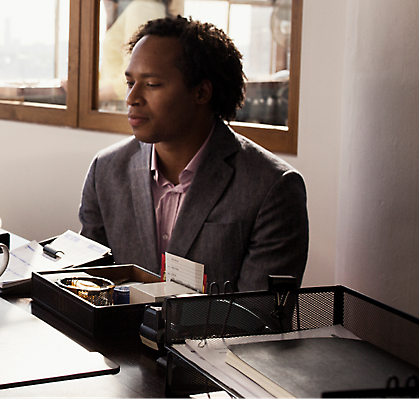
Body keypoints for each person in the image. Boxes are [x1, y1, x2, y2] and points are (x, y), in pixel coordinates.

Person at [78, 16, 309, 292]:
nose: (132, 98)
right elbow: (87, 286)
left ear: (201, 92)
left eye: (151, 84)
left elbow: (260, 318)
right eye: (130, 83)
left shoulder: (272, 187)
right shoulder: (106, 170)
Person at [97, 0, 169, 107]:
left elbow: (133, 77)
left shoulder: (140, 8)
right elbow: (112, 67)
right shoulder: (143, 6)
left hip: (122, 110)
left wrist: (88, 96)